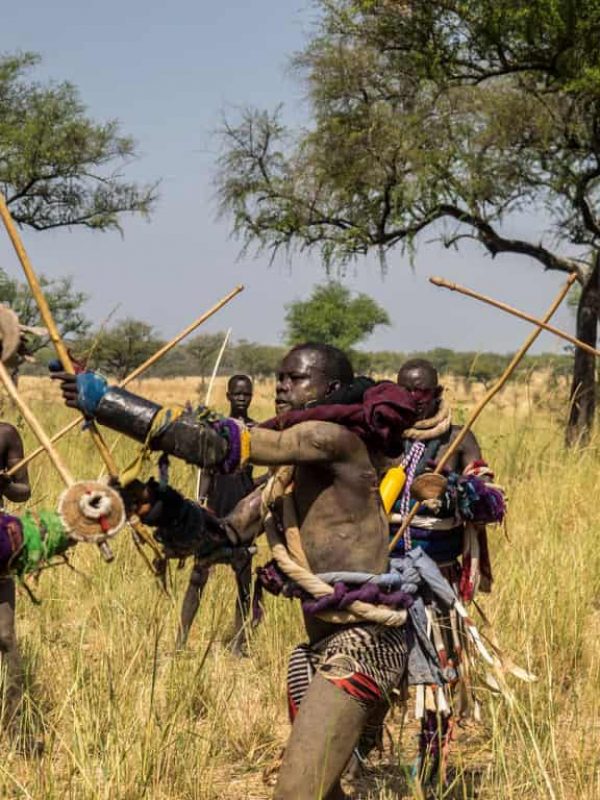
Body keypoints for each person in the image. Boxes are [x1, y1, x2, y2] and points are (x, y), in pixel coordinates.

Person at [53, 343, 423, 800]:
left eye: (296, 378)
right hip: (320, 647)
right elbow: (223, 537)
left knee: (296, 794)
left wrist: (108, 402)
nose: (282, 385)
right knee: (322, 792)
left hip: (363, 644)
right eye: (280, 376)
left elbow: (218, 444)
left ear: (331, 389)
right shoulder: (286, 477)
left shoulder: (330, 439)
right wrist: (156, 507)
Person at [392, 358, 503, 781]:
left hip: (438, 575)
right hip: (385, 572)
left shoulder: (459, 439)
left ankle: (430, 761)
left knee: (437, 678)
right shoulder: (384, 440)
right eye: (407, 393)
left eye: (423, 394)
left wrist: (453, 492)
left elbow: (492, 500)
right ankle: (356, 746)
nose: (415, 402)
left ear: (438, 394)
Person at [178, 374, 257, 654]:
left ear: (252, 397)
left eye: (246, 394)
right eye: (237, 393)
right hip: (215, 513)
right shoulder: (219, 429)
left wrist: (262, 489)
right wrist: (200, 503)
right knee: (198, 577)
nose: (241, 398)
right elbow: (207, 472)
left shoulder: (257, 432)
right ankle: (181, 640)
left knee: (244, 581)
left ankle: (238, 642)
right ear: (227, 395)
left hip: (244, 516)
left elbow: (256, 475)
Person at [0, 422, 31, 744]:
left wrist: (6, 484)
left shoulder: (6, 434)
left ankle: (15, 724)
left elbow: (24, 490)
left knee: (6, 635)